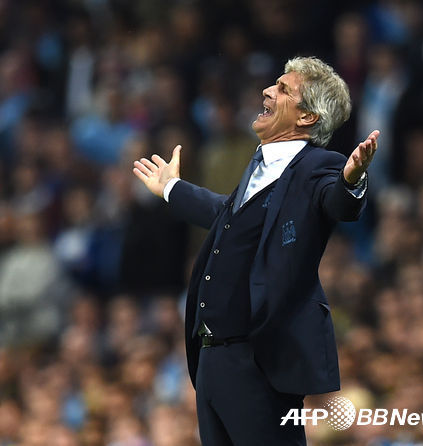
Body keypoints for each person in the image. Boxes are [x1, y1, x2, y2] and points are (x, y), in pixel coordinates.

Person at [132, 56, 378, 445]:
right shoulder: (259, 166)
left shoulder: (319, 166)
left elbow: (338, 202)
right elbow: (227, 215)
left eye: (283, 89)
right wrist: (171, 188)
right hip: (212, 359)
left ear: (306, 117)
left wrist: (352, 180)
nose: (267, 91)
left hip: (260, 361)